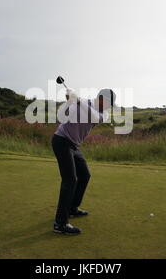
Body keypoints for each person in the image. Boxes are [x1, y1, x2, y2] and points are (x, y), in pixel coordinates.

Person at [52, 87, 116, 235]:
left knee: (85, 175)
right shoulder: (82, 103)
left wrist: (77, 99)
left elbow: (93, 116)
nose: (109, 107)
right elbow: (64, 116)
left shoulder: (102, 114)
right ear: (101, 99)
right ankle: (60, 223)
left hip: (74, 145)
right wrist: (69, 101)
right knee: (70, 180)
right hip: (61, 141)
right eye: (108, 103)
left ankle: (73, 208)